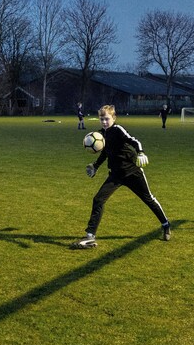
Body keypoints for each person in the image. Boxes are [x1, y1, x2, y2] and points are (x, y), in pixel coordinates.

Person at [71, 105, 170, 248]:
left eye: (107, 119)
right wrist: (96, 166)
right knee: (98, 199)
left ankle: (166, 225)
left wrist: (141, 152)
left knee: (148, 199)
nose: (104, 122)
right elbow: (105, 153)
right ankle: (90, 236)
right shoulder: (100, 135)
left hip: (132, 172)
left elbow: (134, 141)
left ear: (113, 118)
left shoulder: (118, 130)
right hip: (115, 175)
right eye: (101, 119)